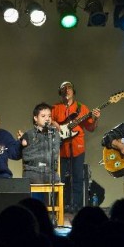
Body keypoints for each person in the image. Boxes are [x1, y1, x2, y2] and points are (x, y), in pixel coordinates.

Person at [51, 81, 100, 213]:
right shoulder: (55, 108)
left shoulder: (82, 108)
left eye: (69, 88)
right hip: (60, 149)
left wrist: (95, 119)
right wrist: (54, 123)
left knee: (77, 178)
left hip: (77, 148)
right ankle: (59, 207)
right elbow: (48, 122)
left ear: (73, 91)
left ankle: (77, 207)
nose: (67, 90)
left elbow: (91, 128)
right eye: (64, 88)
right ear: (60, 92)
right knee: (59, 180)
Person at [20, 102, 61, 185]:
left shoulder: (55, 134)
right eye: (43, 116)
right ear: (35, 118)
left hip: (51, 174)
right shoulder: (29, 134)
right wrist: (22, 140)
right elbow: (25, 152)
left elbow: (56, 154)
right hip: (33, 173)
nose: (47, 119)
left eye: (49, 116)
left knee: (55, 180)